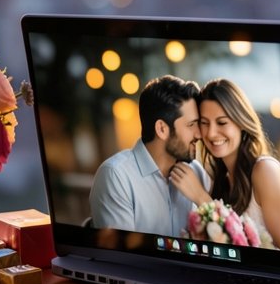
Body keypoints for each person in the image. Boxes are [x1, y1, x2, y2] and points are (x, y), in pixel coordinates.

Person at [170, 78, 280, 253]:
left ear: (241, 123)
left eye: (222, 122)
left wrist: (201, 198)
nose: (211, 133)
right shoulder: (220, 179)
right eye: (204, 123)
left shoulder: (265, 171)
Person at [89, 74, 210, 237]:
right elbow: (122, 257)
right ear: (161, 129)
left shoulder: (197, 172)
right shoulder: (116, 176)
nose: (199, 134)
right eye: (191, 125)